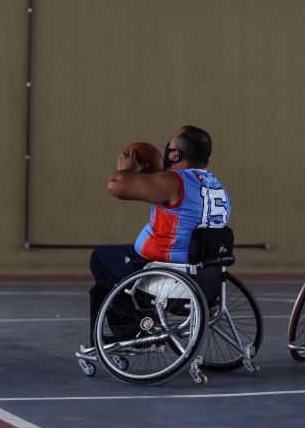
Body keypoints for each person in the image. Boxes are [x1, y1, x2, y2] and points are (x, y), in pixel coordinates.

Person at [84, 125, 231, 347]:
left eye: (170, 145)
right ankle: (145, 319)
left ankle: (134, 332)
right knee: (120, 256)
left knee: (102, 259)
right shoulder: (217, 187)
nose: (167, 149)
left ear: (175, 155)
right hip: (205, 275)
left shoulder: (176, 182)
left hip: (167, 272)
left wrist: (128, 170)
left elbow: (116, 186)